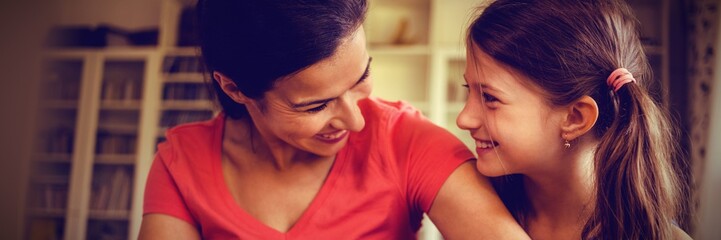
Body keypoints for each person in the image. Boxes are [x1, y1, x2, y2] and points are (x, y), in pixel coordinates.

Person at [138, 0, 529, 239]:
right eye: (315, 106)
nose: (356, 121)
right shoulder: (181, 163)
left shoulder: (409, 142)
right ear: (236, 89)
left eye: (361, 78)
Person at [457, 0, 692, 239]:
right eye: (469, 88)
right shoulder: (467, 208)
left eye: (490, 97)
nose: (463, 119)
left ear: (575, 118)